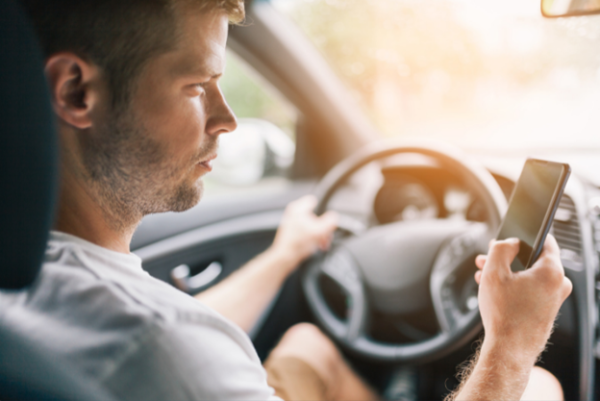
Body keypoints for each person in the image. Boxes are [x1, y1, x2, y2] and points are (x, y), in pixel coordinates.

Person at [1, 0, 571, 399]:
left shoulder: (39, 283)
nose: (227, 120)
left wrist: (285, 254)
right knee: (538, 388)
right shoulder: (166, 349)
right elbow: (169, 343)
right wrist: (510, 346)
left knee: (308, 344)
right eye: (197, 87)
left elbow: (171, 333)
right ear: (77, 91)